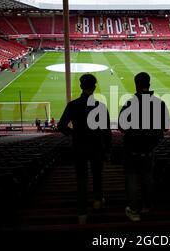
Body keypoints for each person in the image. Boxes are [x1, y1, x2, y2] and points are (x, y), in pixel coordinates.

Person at [58, 74, 111, 225]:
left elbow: (61, 126)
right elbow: (106, 131)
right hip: (96, 147)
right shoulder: (100, 106)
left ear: (81, 86)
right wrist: (108, 149)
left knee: (81, 180)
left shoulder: (73, 105)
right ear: (94, 87)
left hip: (79, 147)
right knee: (97, 175)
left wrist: (74, 133)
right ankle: (97, 201)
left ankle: (82, 213)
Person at [118, 72, 170, 222]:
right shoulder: (159, 103)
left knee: (132, 180)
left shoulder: (130, 103)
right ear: (149, 84)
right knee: (147, 179)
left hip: (132, 150)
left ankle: (134, 211)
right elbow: (165, 127)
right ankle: (147, 207)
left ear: (136, 84)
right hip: (149, 150)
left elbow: (121, 127)